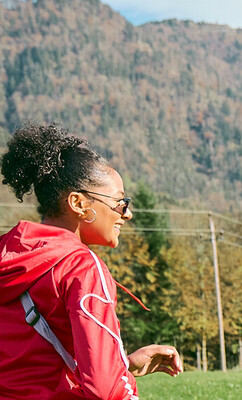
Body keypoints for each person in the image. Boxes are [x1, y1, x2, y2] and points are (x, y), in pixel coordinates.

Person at [0, 122, 183, 399]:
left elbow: (28, 360)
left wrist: (124, 364)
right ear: (78, 203)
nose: (127, 213)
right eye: (121, 202)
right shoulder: (82, 268)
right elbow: (104, 390)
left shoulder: (7, 253)